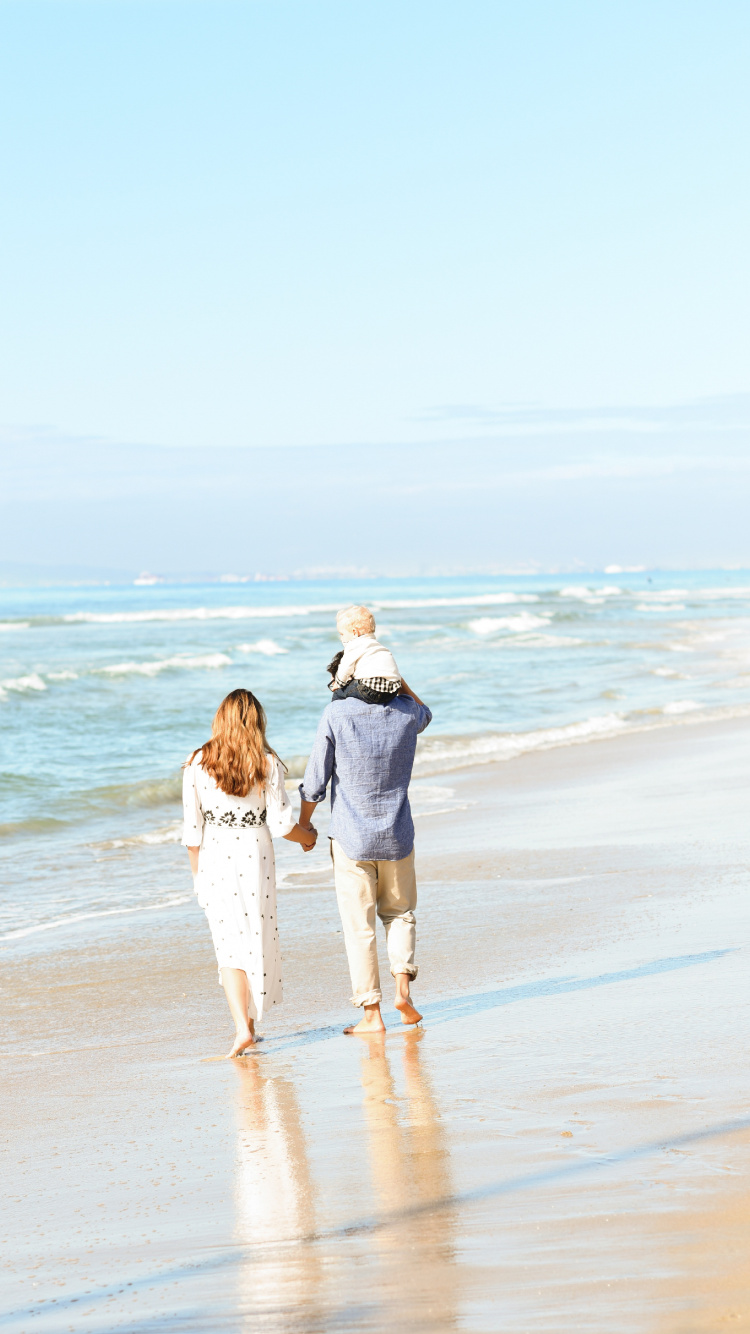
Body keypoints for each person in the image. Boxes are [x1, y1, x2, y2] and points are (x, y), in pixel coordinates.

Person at [299, 609, 432, 1034]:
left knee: (360, 928)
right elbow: (425, 709)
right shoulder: (407, 714)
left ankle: (371, 1015)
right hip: (397, 835)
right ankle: (404, 994)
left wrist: (305, 829)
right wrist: (400, 678)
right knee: (400, 915)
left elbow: (315, 782)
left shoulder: (337, 715)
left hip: (352, 840)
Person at [182, 688, 317, 1057]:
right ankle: (249, 1026)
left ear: (219, 719)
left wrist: (198, 880)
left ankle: (243, 1027)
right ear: (257, 720)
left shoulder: (196, 762)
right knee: (255, 934)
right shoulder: (268, 762)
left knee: (227, 945)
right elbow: (281, 825)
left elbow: (192, 833)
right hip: (254, 852)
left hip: (215, 854)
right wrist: (309, 838)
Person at [327, 604, 402, 705]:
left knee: (339, 694)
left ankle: (336, 714)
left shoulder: (354, 645)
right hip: (392, 691)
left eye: (342, 634)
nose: (341, 638)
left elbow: (346, 667)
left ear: (354, 633)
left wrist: (338, 683)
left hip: (370, 689)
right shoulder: (377, 646)